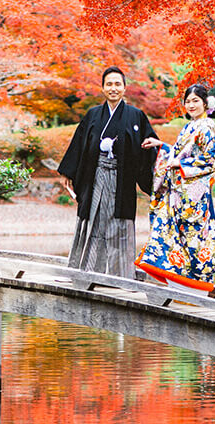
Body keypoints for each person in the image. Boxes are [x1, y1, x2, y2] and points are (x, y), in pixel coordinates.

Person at [58, 67, 159, 277]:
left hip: (122, 181)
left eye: (117, 84)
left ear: (124, 88)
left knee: (119, 224)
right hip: (94, 178)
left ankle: (121, 275)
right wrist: (68, 171)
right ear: (103, 87)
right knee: (92, 221)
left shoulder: (136, 116)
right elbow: (79, 144)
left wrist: (157, 151)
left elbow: (149, 147)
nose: (113, 88)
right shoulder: (93, 115)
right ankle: (87, 272)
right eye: (109, 84)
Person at [134, 84, 215, 282]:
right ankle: (180, 283)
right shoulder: (189, 126)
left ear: (204, 103)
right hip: (179, 192)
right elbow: (179, 152)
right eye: (188, 101)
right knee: (177, 233)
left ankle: (196, 284)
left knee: (193, 238)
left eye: (195, 101)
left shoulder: (206, 127)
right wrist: (161, 146)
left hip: (195, 196)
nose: (191, 105)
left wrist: (183, 163)